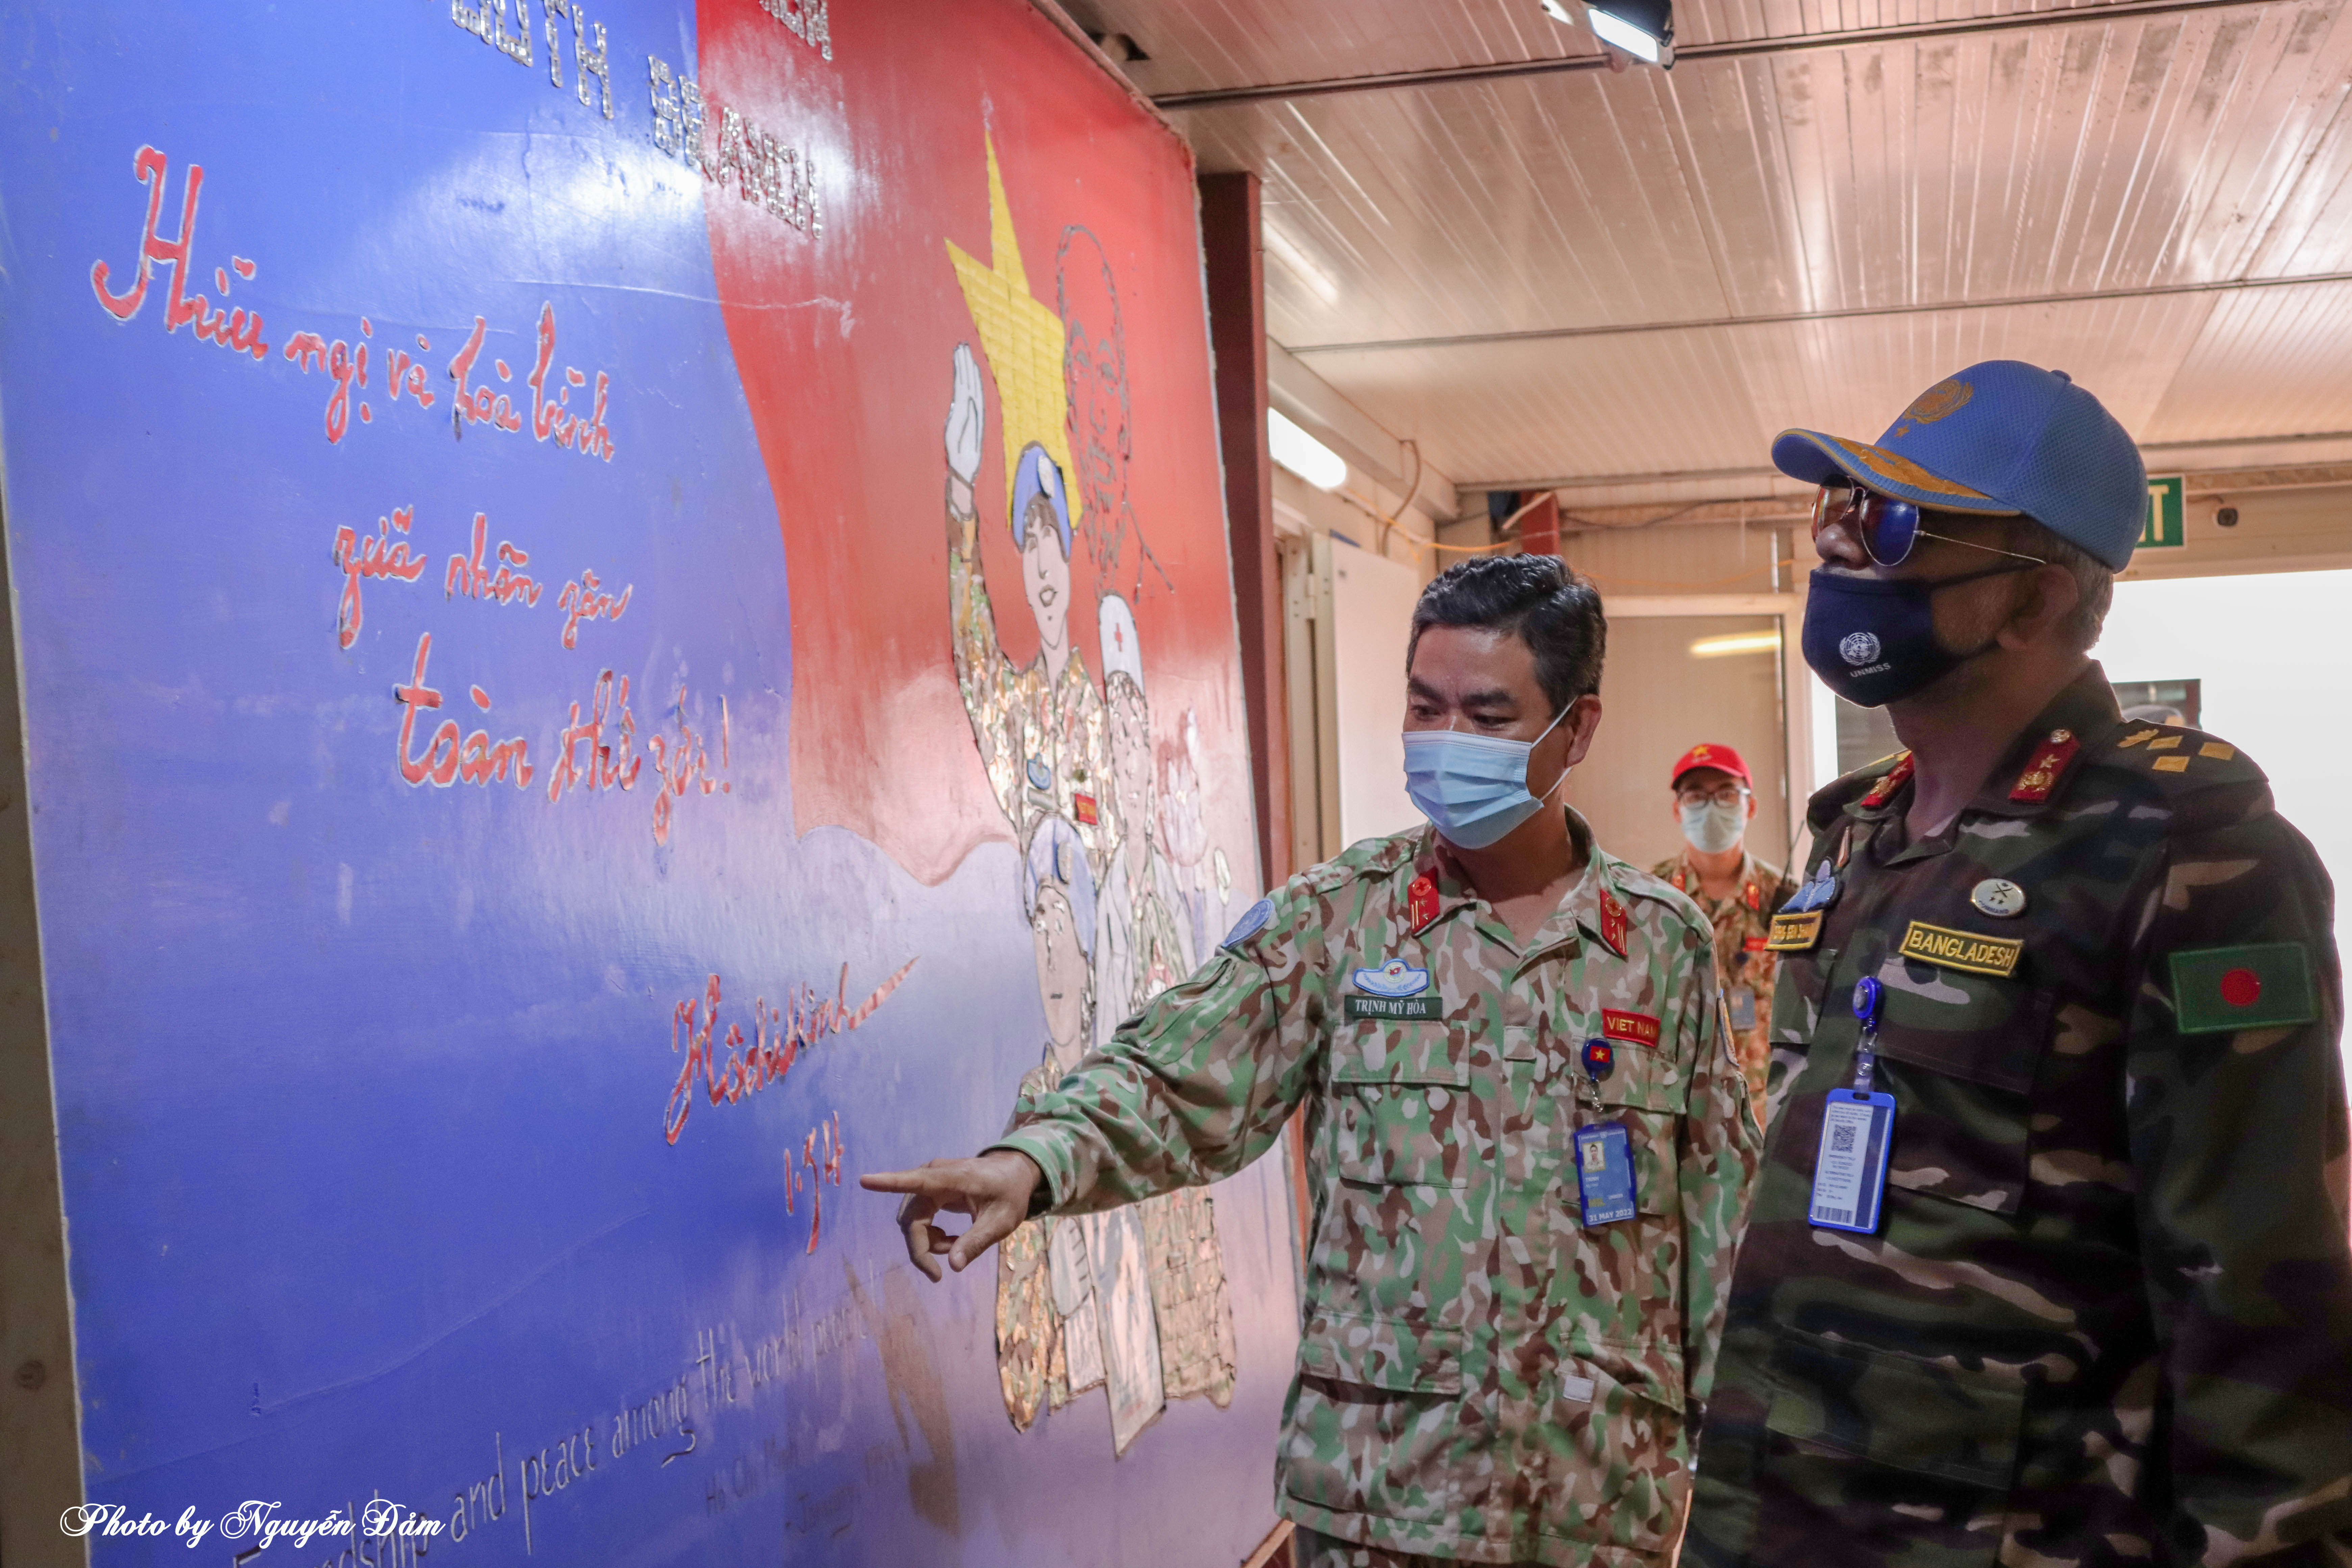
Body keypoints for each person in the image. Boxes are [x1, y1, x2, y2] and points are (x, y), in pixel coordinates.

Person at [868, 556, 1762, 1567]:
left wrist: (1742, 1482)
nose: (1446, 741)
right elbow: (1177, 1071)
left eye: (1487, 714)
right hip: (1382, 1506)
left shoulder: (1662, 945)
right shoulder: (1341, 918)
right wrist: (1033, 1161)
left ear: (1577, 729)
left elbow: (1724, 1223)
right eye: (1425, 709)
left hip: (1597, 1505)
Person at [1684, 360, 2352, 1564]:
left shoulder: (2186, 850)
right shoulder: (1857, 836)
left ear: (2030, 596)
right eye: (1829, 505)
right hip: (1780, 1512)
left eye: (1887, 521)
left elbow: (2258, 1300)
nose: (1836, 548)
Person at [1649, 743, 1799, 1131]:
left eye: (1727, 794)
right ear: (1677, 809)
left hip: (1765, 1110)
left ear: (1749, 806)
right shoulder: (1648, 896)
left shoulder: (1788, 899)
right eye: (1696, 795)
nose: (1711, 806)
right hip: (1674, 1106)